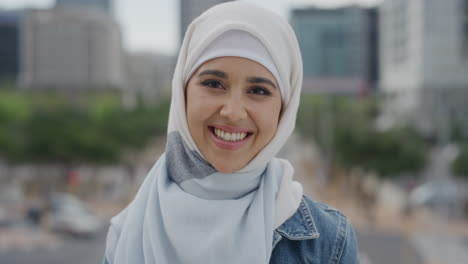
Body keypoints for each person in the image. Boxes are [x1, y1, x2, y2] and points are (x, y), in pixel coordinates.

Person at [103, 2, 359, 264]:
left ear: (283, 109)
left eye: (259, 91)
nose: (233, 112)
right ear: (182, 94)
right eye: (214, 84)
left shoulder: (326, 244)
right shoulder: (125, 233)